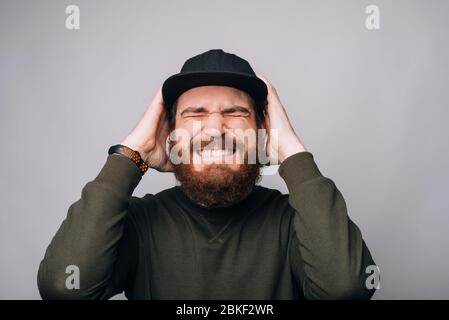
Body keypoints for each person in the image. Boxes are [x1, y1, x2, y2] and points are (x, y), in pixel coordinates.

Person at [37, 49, 377, 299]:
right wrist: (131, 155)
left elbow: (347, 289)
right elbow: (64, 288)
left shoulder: (295, 224)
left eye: (236, 112)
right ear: (168, 133)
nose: (215, 128)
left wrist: (293, 154)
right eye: (195, 114)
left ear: (263, 130)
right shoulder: (140, 222)